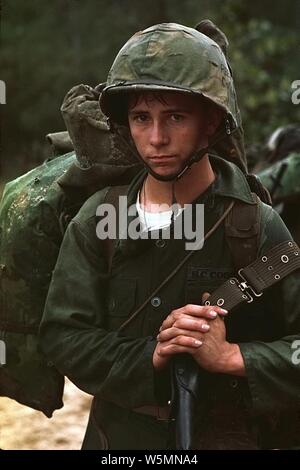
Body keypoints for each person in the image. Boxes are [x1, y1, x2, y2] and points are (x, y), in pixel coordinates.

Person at [39, 23, 300, 450]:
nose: (156, 139)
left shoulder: (257, 225)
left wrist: (234, 358)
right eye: (142, 118)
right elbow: (63, 336)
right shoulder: (101, 218)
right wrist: (150, 357)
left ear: (211, 121)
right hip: (117, 442)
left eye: (175, 117)